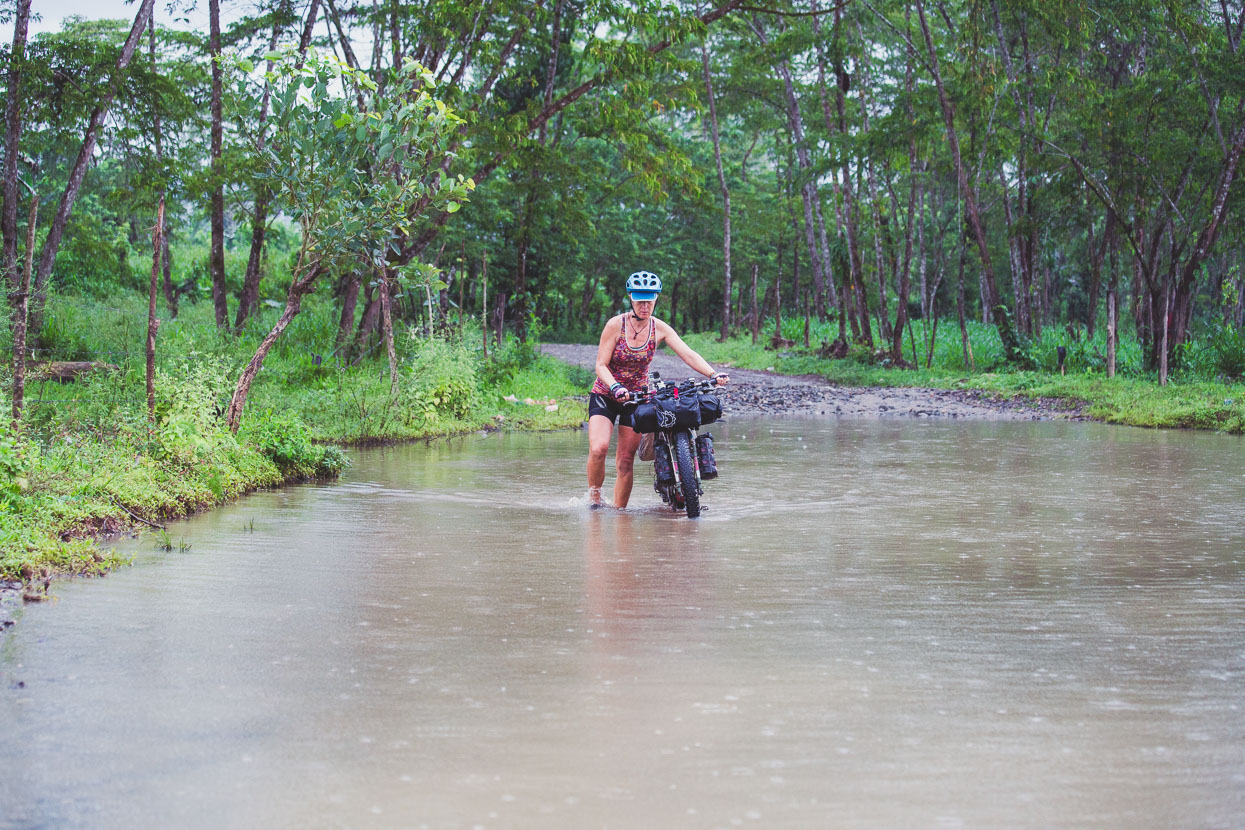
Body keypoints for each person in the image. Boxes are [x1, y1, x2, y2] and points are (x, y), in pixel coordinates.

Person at [587, 270, 728, 508]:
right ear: (631, 298)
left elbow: (687, 354)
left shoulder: (660, 328)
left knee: (624, 460)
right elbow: (600, 365)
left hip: (637, 397)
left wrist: (713, 374)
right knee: (599, 448)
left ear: (656, 300)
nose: (645, 306)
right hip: (606, 393)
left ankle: (619, 515)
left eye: (649, 300)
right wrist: (615, 385)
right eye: (640, 300)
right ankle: (594, 499)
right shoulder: (615, 325)